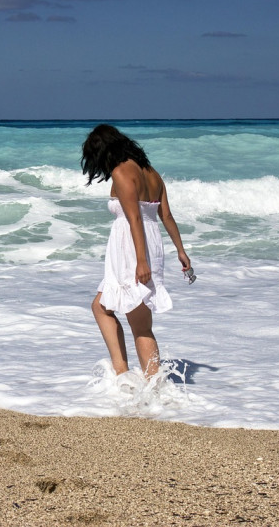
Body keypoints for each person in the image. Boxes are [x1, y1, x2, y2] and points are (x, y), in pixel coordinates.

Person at [81, 124, 192, 378]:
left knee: (137, 323)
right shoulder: (152, 173)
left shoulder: (122, 172)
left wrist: (141, 262)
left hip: (134, 249)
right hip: (150, 244)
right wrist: (181, 250)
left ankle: (142, 383)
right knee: (106, 308)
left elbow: (134, 220)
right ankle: (132, 378)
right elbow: (166, 215)